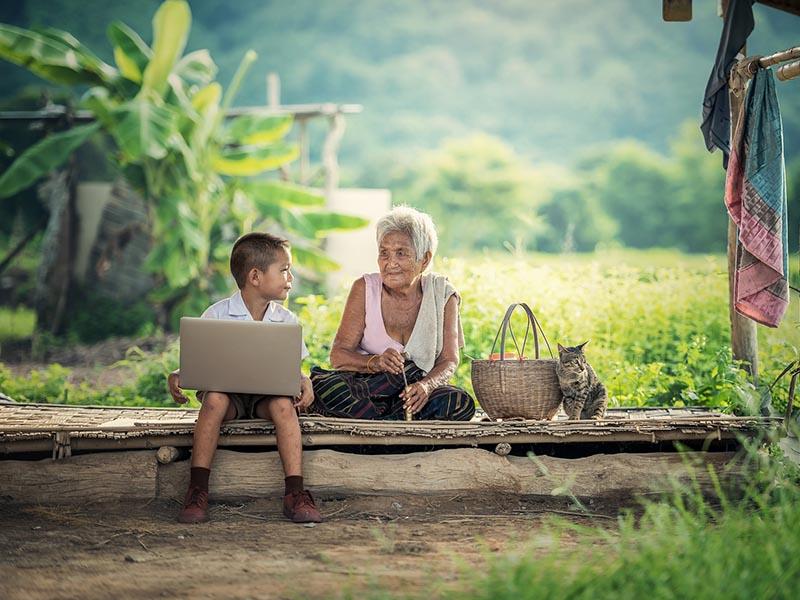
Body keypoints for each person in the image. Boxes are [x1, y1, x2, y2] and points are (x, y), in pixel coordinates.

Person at [167, 232, 322, 524]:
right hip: (230, 399)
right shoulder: (217, 314)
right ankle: (197, 490)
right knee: (213, 399)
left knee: (283, 406)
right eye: (284, 270)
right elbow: (201, 361)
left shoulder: (287, 321)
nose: (291, 277)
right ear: (255, 276)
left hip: (267, 397)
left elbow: (293, 369)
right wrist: (180, 374)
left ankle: (295, 493)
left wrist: (304, 380)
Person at [310, 206, 475, 421]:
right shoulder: (365, 288)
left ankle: (376, 429)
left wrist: (426, 386)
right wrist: (375, 362)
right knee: (328, 388)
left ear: (424, 259)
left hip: (412, 395)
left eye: (401, 253)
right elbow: (338, 356)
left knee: (459, 402)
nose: (390, 263)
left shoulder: (443, 294)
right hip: (367, 389)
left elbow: (449, 361)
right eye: (384, 253)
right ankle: (395, 430)